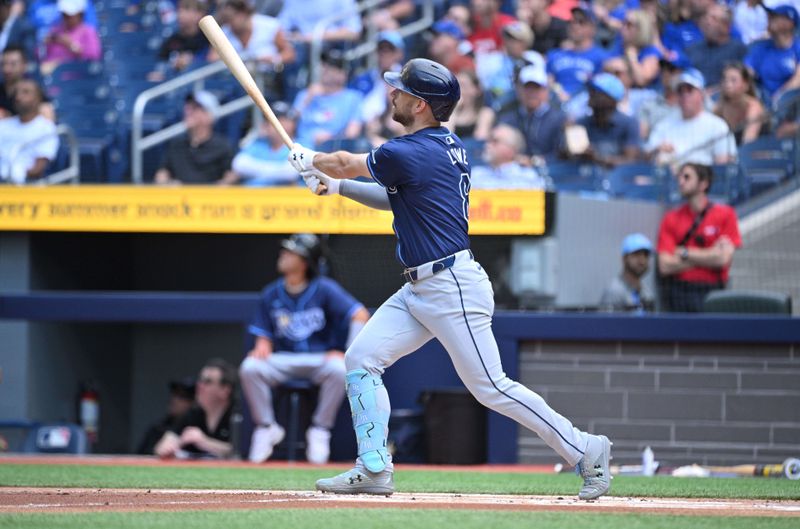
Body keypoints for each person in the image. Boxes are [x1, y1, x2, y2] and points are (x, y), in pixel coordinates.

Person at [287, 57, 612, 499]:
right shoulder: (440, 146)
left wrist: (311, 159)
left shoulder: (409, 150)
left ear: (421, 105)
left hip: (450, 284)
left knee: (491, 387)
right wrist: (333, 187)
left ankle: (586, 449)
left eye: (400, 90)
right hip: (421, 287)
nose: (393, 94)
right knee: (361, 359)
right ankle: (374, 467)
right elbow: (393, 199)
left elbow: (344, 161)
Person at [239, 233, 370, 464]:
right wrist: (262, 343)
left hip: (319, 360)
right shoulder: (271, 292)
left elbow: (360, 314)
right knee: (250, 367)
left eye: (290, 253)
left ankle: (320, 429)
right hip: (284, 360)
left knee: (341, 369)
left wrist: (350, 352)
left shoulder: (325, 289)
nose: (283, 255)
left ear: (304, 261)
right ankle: (266, 426)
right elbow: (263, 334)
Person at [656, 162, 741, 312]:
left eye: (687, 177)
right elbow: (664, 266)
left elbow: (723, 260)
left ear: (703, 184)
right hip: (679, 292)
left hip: (714, 291)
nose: (680, 181)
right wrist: (710, 255)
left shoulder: (726, 214)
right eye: (680, 177)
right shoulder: (671, 218)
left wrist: (684, 253)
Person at [645, 68, 737, 166]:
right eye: (680, 91)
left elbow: (724, 167)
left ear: (701, 94)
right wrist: (656, 150)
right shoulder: (664, 125)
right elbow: (646, 155)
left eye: (689, 90)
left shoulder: (717, 126)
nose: (685, 95)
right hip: (669, 178)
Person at [154, 358, 238, 459]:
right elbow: (163, 444)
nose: (199, 385)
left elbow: (238, 451)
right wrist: (167, 448)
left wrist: (204, 441)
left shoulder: (238, 414)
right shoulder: (193, 413)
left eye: (207, 381)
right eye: (200, 380)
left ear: (225, 390)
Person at [154, 91, 236, 185]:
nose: (188, 111)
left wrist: (216, 190)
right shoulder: (176, 144)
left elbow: (231, 176)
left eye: (195, 108)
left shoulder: (222, 146)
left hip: (211, 198)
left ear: (209, 116)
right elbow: (162, 173)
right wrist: (167, 184)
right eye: (187, 107)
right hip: (181, 198)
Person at [292, 49, 363, 148]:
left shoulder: (353, 98)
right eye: (323, 64)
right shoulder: (305, 94)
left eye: (331, 67)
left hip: (332, 151)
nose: (324, 69)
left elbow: (352, 134)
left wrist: (331, 139)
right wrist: (308, 98)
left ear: (343, 74)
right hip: (299, 149)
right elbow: (288, 123)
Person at [570, 72, 642, 168]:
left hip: (617, 181)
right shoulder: (581, 124)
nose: (591, 94)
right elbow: (570, 159)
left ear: (612, 98)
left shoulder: (629, 124)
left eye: (597, 91)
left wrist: (597, 158)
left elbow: (630, 161)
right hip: (586, 181)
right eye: (591, 91)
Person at [497, 64, 567, 159]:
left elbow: (562, 154)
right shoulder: (509, 119)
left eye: (536, 88)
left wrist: (535, 162)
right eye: (527, 88)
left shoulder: (559, 119)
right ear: (519, 90)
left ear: (546, 90)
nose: (532, 93)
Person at [0, 78, 58, 184]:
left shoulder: (46, 128)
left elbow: (38, 170)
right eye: (16, 93)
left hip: (25, 187)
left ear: (38, 98)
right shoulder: (3, 125)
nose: (18, 97)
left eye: (25, 92)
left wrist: (14, 175)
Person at [547, 4, 609, 102]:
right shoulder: (555, 55)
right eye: (572, 21)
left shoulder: (601, 57)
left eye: (581, 22)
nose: (574, 26)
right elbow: (548, 82)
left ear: (593, 28)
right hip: (556, 104)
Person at [212, 0, 295, 72]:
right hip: (235, 81)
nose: (229, 23)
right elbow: (212, 58)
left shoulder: (269, 25)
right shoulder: (225, 31)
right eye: (226, 19)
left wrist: (274, 59)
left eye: (231, 18)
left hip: (269, 79)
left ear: (243, 12)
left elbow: (290, 54)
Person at [231, 101, 299, 186]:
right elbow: (239, 165)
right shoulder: (259, 144)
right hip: (252, 196)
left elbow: (290, 173)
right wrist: (276, 170)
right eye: (272, 120)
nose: (280, 125)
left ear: (292, 124)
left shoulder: (301, 145)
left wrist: (253, 170)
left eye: (283, 120)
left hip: (286, 197)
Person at [744, 4, 800, 104]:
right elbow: (746, 73)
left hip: (792, 104)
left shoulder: (797, 47)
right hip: (762, 99)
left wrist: (779, 98)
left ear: (789, 23)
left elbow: (797, 80)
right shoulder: (760, 47)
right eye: (769, 16)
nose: (769, 19)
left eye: (775, 16)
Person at [684, 3, 746, 90]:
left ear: (726, 26)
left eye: (714, 19)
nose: (707, 22)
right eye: (706, 18)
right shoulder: (693, 49)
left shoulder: (738, 49)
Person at [471, 123, 546, 189]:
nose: (487, 145)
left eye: (495, 141)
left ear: (511, 149)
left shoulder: (528, 177)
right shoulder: (475, 175)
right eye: (488, 140)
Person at [40, 0, 101, 75]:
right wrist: (43, 45)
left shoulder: (88, 32)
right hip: (54, 77)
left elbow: (93, 56)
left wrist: (70, 44)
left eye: (69, 15)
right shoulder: (55, 31)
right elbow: (42, 56)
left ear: (80, 14)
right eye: (63, 14)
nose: (65, 18)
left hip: (76, 76)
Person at [137, 377, 196, 455]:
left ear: (193, 403)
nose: (175, 400)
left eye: (182, 396)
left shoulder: (198, 429)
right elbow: (141, 456)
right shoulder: (158, 428)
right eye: (174, 394)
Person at [599, 233, 656, 312]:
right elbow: (606, 323)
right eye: (636, 254)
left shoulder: (647, 293)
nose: (642, 261)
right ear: (624, 258)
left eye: (646, 255)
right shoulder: (614, 291)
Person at [154, 0, 210, 78]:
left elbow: (211, 61)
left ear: (200, 13)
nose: (180, 13)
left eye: (186, 9)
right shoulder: (172, 39)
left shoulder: (207, 38)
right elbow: (161, 63)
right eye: (179, 9)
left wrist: (192, 60)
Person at [713, 62, 765, 144]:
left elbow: (748, 141)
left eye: (733, 80)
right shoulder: (720, 106)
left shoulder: (753, 107)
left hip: (753, 153)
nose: (728, 84)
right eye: (725, 79)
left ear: (746, 84)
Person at [442, 69, 495, 141]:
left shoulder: (485, 113)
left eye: (463, 85)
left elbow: (480, 140)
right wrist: (453, 109)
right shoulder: (449, 112)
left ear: (477, 90)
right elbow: (444, 137)